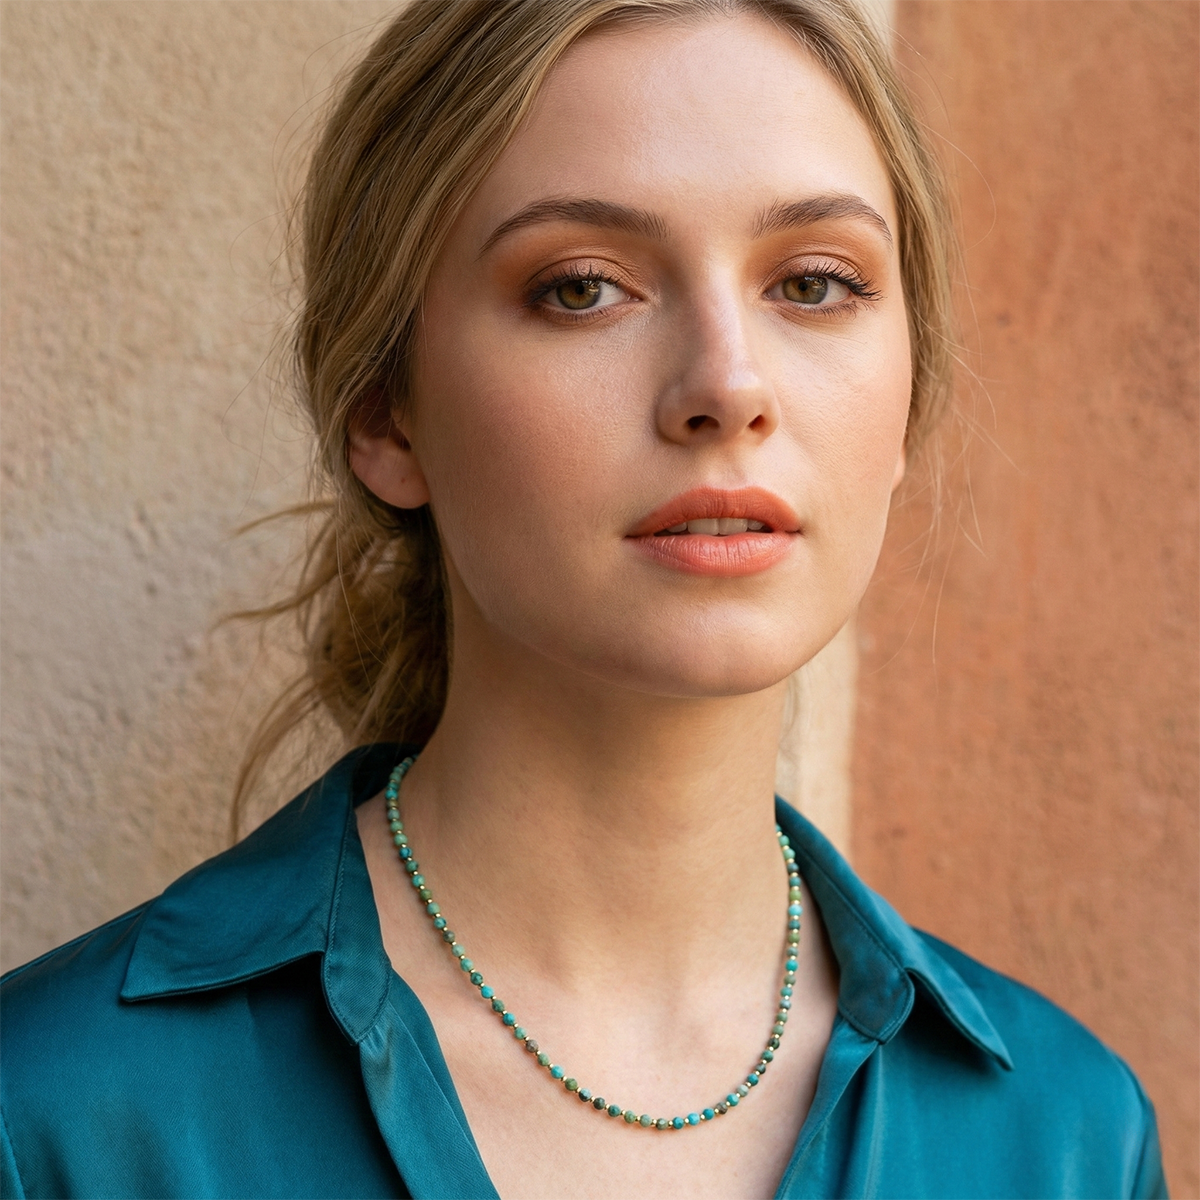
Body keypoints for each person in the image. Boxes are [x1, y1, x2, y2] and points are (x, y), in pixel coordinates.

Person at [0, 1, 1167, 1196]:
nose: (728, 385)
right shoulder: (52, 1122)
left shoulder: (1064, 1141)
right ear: (385, 412)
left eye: (815, 283)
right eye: (581, 290)